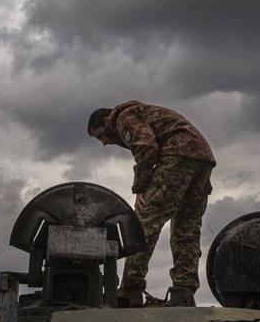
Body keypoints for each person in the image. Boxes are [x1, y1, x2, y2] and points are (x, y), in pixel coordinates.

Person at [87, 101, 215, 307]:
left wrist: (140, 188)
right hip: (202, 157)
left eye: (101, 135)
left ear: (105, 121)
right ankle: (184, 290)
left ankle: (131, 288)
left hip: (178, 153)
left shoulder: (122, 117)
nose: (103, 142)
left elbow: (146, 147)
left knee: (146, 221)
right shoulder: (139, 113)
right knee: (186, 228)